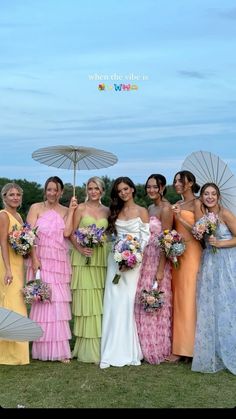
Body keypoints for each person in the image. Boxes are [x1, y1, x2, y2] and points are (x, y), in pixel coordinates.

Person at [26, 176, 78, 362]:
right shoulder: (35, 208)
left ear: (61, 192)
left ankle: (60, 350)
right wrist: (34, 258)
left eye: (56, 190)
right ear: (45, 190)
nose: (52, 193)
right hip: (41, 259)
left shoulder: (66, 210)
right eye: (49, 189)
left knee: (57, 303)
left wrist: (72, 211)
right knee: (42, 303)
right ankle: (41, 348)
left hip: (59, 261)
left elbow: (66, 233)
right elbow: (29, 235)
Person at [100, 177, 150, 369]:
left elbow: (145, 239)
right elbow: (112, 237)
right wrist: (119, 256)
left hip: (133, 264)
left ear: (132, 189)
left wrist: (132, 259)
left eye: (126, 189)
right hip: (115, 262)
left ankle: (129, 351)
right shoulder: (115, 211)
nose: (123, 193)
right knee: (113, 303)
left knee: (127, 304)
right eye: (119, 190)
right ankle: (110, 350)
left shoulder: (142, 211)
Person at [191, 183, 236, 375]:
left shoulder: (225, 214)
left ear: (218, 196)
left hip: (226, 261)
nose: (209, 197)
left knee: (227, 302)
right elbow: (200, 237)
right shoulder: (203, 217)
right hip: (209, 261)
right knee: (211, 304)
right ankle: (214, 349)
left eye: (213, 194)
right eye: (206, 194)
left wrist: (220, 242)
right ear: (201, 197)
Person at [70, 176, 109, 364]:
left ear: (102, 191)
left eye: (96, 188)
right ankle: (85, 348)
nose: (93, 191)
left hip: (100, 259)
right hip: (82, 258)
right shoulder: (80, 208)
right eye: (90, 188)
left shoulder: (107, 211)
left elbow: (110, 235)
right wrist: (80, 248)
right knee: (86, 301)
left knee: (99, 302)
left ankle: (101, 345)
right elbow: (70, 233)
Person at [135, 174, 173, 364]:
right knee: (144, 299)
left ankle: (157, 346)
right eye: (148, 187)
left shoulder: (166, 209)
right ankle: (143, 344)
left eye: (154, 187)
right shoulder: (150, 208)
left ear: (162, 188)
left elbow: (167, 242)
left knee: (156, 302)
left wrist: (160, 269)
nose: (151, 190)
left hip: (158, 260)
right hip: (146, 258)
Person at [167, 170, 202, 363]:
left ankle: (188, 349)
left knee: (189, 298)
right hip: (177, 254)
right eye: (175, 181)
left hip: (193, 253)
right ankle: (179, 346)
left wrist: (180, 218)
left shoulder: (197, 203)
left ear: (189, 183)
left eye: (179, 181)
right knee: (179, 298)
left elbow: (199, 232)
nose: (176, 183)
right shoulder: (177, 204)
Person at [0, 183, 29, 365]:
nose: (15, 197)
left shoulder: (18, 215)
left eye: (18, 194)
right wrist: (8, 269)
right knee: (11, 303)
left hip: (18, 264)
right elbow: (2, 243)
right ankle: (7, 353)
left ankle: (18, 351)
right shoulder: (3, 216)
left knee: (18, 301)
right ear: (4, 197)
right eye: (11, 194)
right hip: (6, 265)